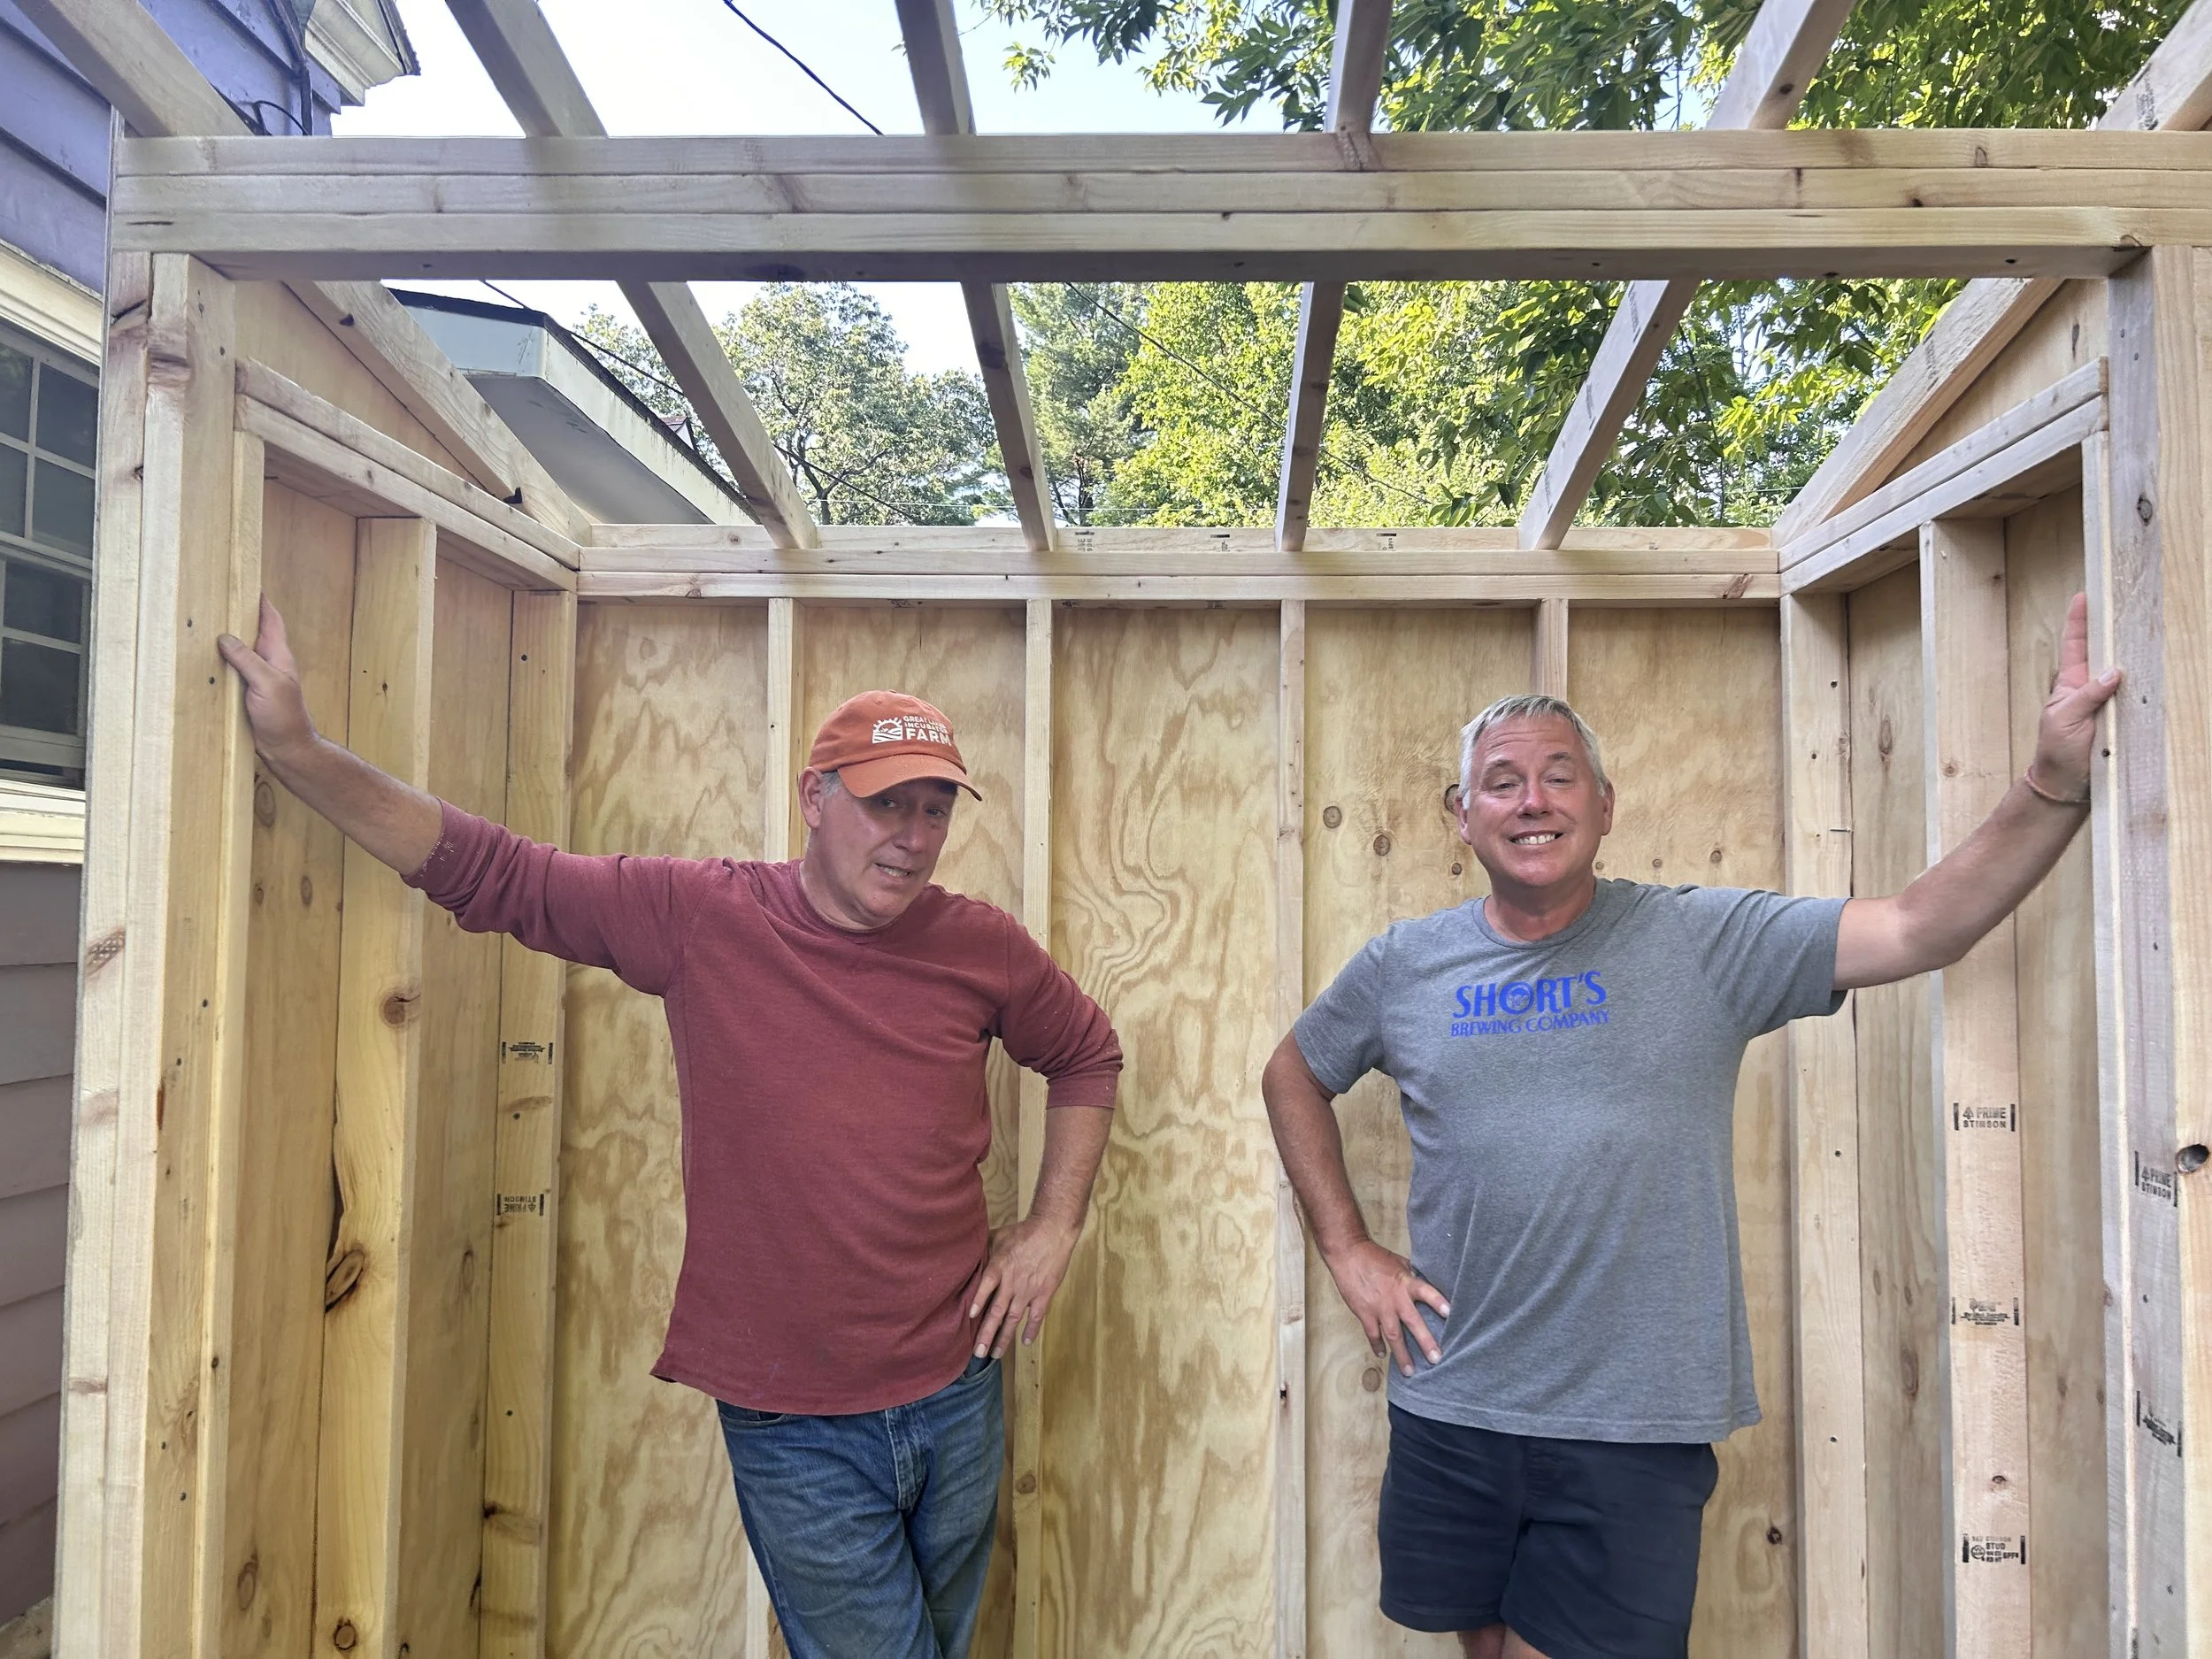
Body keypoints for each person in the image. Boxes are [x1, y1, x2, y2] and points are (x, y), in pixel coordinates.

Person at [219, 597, 1121, 1659]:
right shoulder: (703, 917)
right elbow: (495, 872)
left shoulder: (980, 946)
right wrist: (301, 751)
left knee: (940, 1639)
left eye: (934, 810)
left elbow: (1085, 1054)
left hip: (957, 1385)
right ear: (813, 799)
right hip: (795, 1418)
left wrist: (1051, 1226)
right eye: (886, 805)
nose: (912, 838)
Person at [1262, 595, 2119, 1659]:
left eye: (1558, 776)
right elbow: (1293, 1071)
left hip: (1632, 1423)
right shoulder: (1403, 965)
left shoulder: (1703, 940)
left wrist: (2050, 784)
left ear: (1606, 806)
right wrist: (1346, 1248)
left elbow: (1915, 925)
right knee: (1482, 1646)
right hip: (1456, 1402)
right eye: (1502, 781)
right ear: (1462, 813)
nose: (1533, 801)